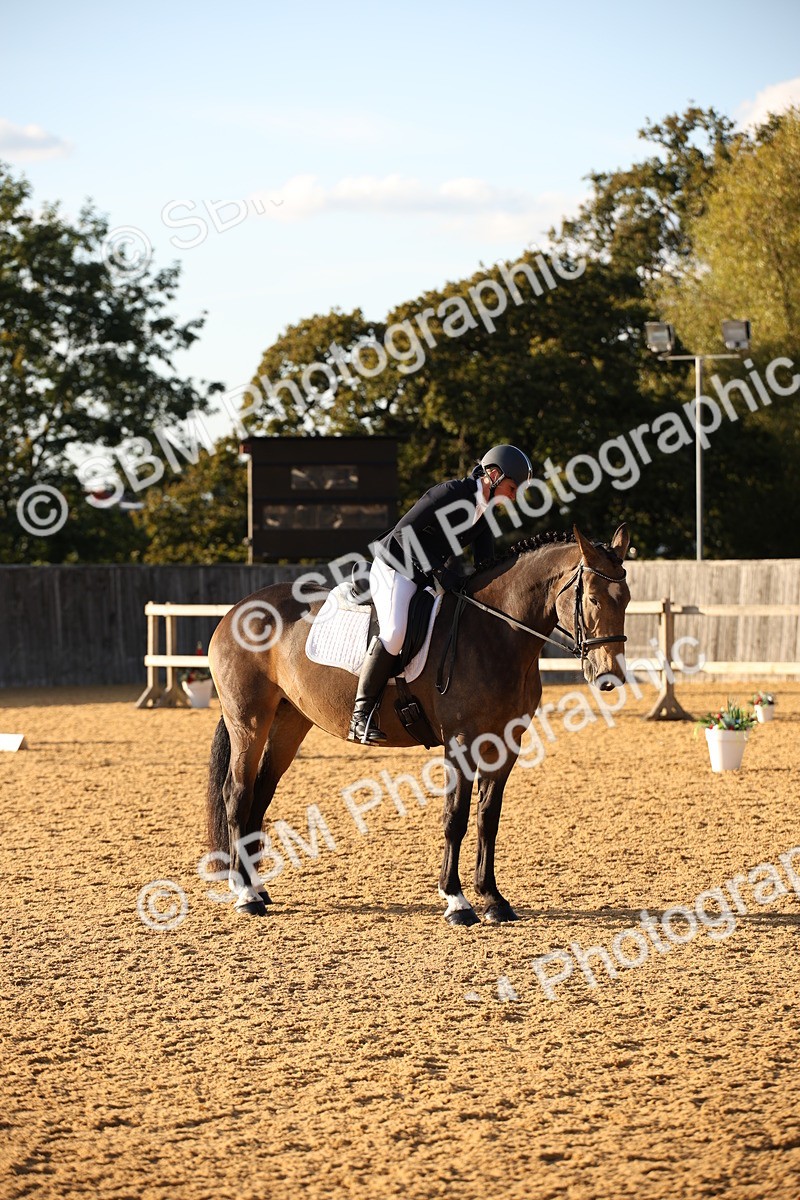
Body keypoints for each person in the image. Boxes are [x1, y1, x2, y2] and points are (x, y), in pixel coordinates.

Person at [348, 444, 533, 744]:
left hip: (423, 574)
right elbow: (404, 532)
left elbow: (485, 565)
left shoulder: (484, 514)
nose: (513, 497)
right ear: (494, 475)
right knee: (394, 632)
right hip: (395, 565)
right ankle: (360, 715)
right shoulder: (450, 493)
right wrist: (439, 572)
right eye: (512, 488)